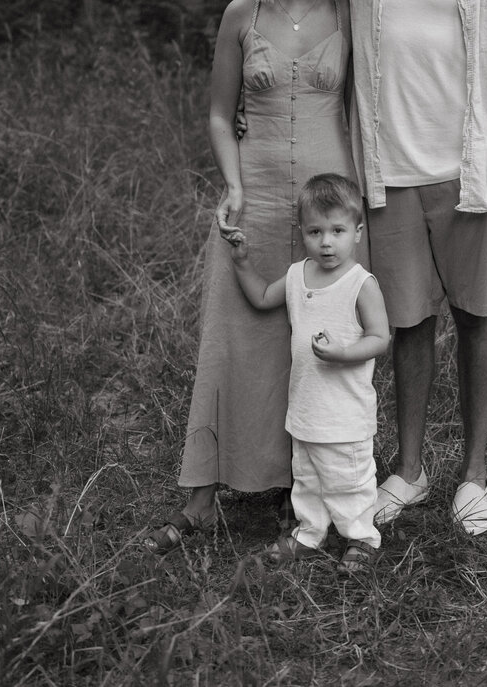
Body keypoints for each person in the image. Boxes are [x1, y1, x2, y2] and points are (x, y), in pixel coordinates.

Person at [144, 0, 365, 553]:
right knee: (232, 336)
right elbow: (221, 115)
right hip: (258, 199)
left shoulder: (349, 13)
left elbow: (365, 114)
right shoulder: (241, 14)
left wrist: (362, 208)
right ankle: (200, 496)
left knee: (319, 341)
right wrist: (234, 186)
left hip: (330, 210)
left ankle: (308, 488)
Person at [347, 0, 487, 534]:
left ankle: (474, 475)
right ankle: (410, 470)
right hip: (388, 169)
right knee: (408, 322)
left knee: (477, 315)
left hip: (471, 169)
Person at [228, 173, 389, 572]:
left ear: (357, 232)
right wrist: (243, 262)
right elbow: (264, 297)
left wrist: (344, 353)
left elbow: (380, 337)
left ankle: (360, 537)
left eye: (337, 230)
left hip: (345, 412)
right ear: (302, 232)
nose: (327, 241)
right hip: (305, 408)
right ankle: (309, 533)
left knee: (347, 478)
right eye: (316, 231)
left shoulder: (360, 284)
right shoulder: (298, 275)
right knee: (309, 478)